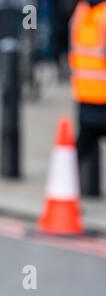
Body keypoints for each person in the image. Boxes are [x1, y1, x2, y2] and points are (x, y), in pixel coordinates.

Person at [69, 0, 106, 196]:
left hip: (84, 91)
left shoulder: (80, 12)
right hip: (101, 94)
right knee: (84, 145)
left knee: (83, 146)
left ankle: (66, 186)